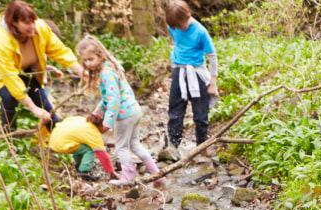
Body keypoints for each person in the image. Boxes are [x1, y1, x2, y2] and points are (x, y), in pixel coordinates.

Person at [0, 1, 81, 132]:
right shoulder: (0, 38)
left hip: (23, 65)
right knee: (9, 96)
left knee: (37, 92)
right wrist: (33, 109)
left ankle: (55, 128)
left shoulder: (40, 28)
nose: (32, 26)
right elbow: (10, 77)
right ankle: (8, 131)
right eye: (26, 23)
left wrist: (80, 70)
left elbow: (59, 50)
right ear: (14, 23)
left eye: (33, 21)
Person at [75, 35, 162, 186]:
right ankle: (157, 174)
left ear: (100, 55)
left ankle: (128, 177)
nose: (88, 64)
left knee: (121, 147)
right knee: (135, 144)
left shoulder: (106, 73)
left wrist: (107, 121)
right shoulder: (110, 66)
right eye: (85, 61)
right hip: (134, 110)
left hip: (124, 116)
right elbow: (109, 96)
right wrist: (98, 110)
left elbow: (114, 99)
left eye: (91, 59)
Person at [164, 0, 218, 154]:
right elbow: (177, 43)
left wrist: (212, 81)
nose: (181, 27)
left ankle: (202, 147)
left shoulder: (200, 31)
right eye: (177, 26)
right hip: (179, 72)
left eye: (183, 23)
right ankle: (173, 147)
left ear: (188, 14)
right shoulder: (172, 26)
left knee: (201, 114)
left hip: (197, 73)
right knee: (175, 111)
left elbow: (212, 56)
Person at [47, 114, 116, 180]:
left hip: (54, 138)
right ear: (102, 125)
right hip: (61, 144)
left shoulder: (82, 120)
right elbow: (102, 155)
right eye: (108, 128)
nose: (107, 130)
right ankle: (84, 171)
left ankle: (79, 166)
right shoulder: (93, 133)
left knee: (81, 145)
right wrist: (111, 171)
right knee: (90, 149)